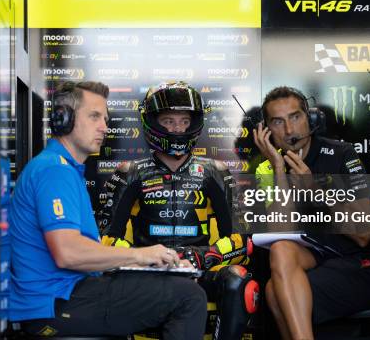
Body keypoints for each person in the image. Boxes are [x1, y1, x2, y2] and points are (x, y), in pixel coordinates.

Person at [9, 81, 207, 339]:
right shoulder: (54, 171)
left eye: (105, 118)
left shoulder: (61, 168)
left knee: (174, 285)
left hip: (69, 293)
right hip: (55, 304)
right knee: (188, 296)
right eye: (94, 117)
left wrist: (148, 265)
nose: (104, 127)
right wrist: (140, 256)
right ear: (63, 120)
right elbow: (67, 254)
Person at [97, 81, 259, 340]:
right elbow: (105, 238)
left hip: (201, 269)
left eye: (184, 120)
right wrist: (147, 259)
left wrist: (200, 258)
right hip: (144, 271)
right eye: (168, 120)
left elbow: (241, 240)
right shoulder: (130, 172)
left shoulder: (215, 172)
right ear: (152, 122)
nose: (177, 128)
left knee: (238, 281)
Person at [253, 86, 370, 340]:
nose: (290, 130)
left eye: (296, 117)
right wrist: (279, 170)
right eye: (278, 122)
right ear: (267, 131)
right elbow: (280, 233)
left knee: (273, 292)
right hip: (317, 256)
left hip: (360, 260)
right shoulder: (268, 166)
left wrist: (314, 190)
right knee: (281, 248)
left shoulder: (341, 153)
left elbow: (364, 234)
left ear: (311, 118)